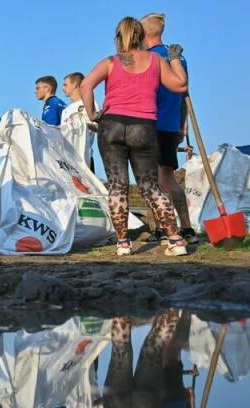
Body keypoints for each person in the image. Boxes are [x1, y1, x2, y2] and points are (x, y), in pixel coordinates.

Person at [81, 17, 189, 257]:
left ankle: (123, 244)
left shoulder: (111, 62)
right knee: (150, 186)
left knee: (117, 185)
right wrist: (174, 58)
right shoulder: (156, 61)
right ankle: (176, 239)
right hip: (144, 126)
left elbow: (86, 85)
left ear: (119, 38)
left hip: (111, 125)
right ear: (141, 36)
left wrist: (93, 114)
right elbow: (181, 85)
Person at [141, 12, 199, 244]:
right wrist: (182, 124)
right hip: (172, 124)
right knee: (169, 177)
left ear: (144, 34)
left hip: (151, 123)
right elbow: (184, 92)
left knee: (151, 179)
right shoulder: (178, 59)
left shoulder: (148, 58)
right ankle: (185, 227)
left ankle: (161, 228)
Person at [61, 72, 99, 171]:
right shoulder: (65, 110)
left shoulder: (89, 103)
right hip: (68, 160)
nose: (62, 88)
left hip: (84, 159)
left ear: (75, 85)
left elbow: (100, 128)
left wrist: (84, 125)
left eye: (65, 84)